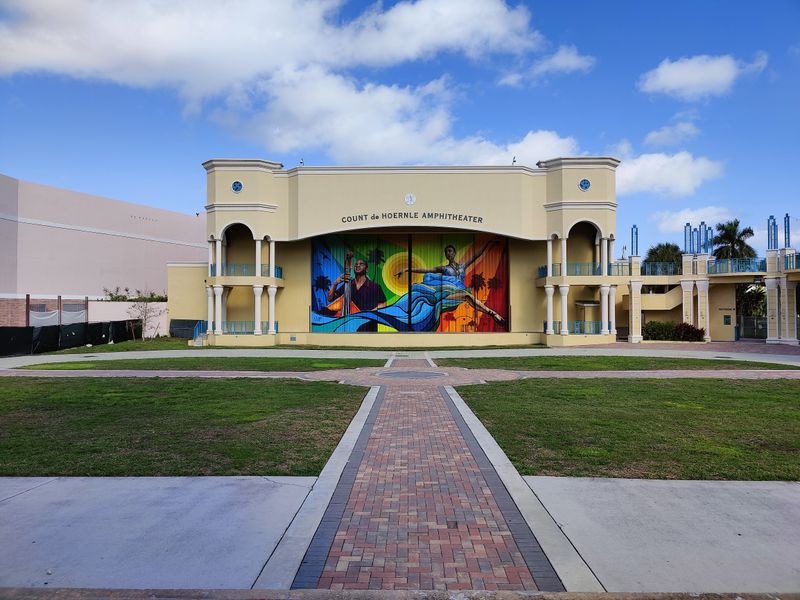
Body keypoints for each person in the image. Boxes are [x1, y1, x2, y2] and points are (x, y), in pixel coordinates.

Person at [395, 240, 505, 324]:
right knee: (468, 296)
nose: (448, 253)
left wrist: (489, 244)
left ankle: (493, 315)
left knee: (469, 298)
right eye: (446, 252)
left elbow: (477, 255)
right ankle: (493, 313)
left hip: (460, 293)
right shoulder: (444, 268)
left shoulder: (462, 266)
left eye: (450, 251)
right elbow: (426, 270)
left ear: (454, 253)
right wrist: (407, 269)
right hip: (448, 295)